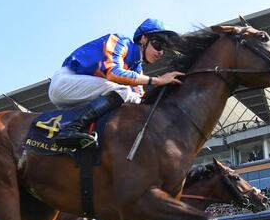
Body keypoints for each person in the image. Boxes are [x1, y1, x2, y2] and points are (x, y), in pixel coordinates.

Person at [48, 18, 184, 149]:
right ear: (143, 39)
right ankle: (71, 129)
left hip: (78, 94)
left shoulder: (136, 68)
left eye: (163, 49)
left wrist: (165, 89)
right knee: (123, 91)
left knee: (133, 99)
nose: (160, 52)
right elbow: (113, 73)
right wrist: (156, 80)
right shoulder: (120, 41)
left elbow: (140, 101)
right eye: (158, 45)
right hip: (65, 82)